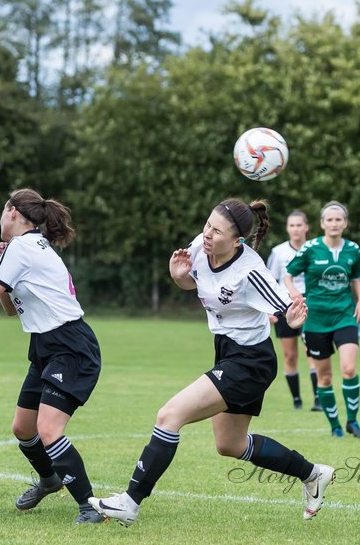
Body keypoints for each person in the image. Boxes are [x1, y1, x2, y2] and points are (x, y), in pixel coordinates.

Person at [89, 199, 336, 526]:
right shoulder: (199, 247)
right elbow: (192, 282)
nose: (207, 234)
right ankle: (313, 474)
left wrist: (293, 317)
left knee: (169, 415)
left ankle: (130, 502)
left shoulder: (250, 271)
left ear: (237, 242)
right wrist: (178, 276)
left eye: (216, 231)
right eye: (207, 225)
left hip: (251, 360)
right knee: (230, 444)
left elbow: (285, 310)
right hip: (228, 352)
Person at [0, 189, 104, 524]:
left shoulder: (23, 246)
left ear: (12, 212)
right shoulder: (29, 246)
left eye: (1, 210)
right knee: (24, 428)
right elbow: (9, 308)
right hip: (46, 346)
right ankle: (50, 479)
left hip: (70, 346)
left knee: (49, 429)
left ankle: (89, 506)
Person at [283, 202, 360, 438]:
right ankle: (335, 426)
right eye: (329, 220)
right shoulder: (310, 248)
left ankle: (353, 421)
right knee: (325, 376)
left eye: (338, 219)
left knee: (349, 369)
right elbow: (288, 274)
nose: (334, 223)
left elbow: (356, 278)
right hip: (315, 321)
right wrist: (293, 292)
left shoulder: (353, 249)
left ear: (345, 223)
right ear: (322, 224)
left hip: (344, 316)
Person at [266, 210, 317, 409]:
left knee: (311, 351)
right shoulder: (279, 252)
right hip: (284, 307)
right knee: (290, 355)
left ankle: (318, 398)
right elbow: (270, 280)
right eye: (291, 225)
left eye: (299, 225)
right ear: (287, 228)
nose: (295, 229)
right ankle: (296, 399)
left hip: (310, 306)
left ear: (306, 227)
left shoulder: (315, 249)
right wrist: (269, 310)